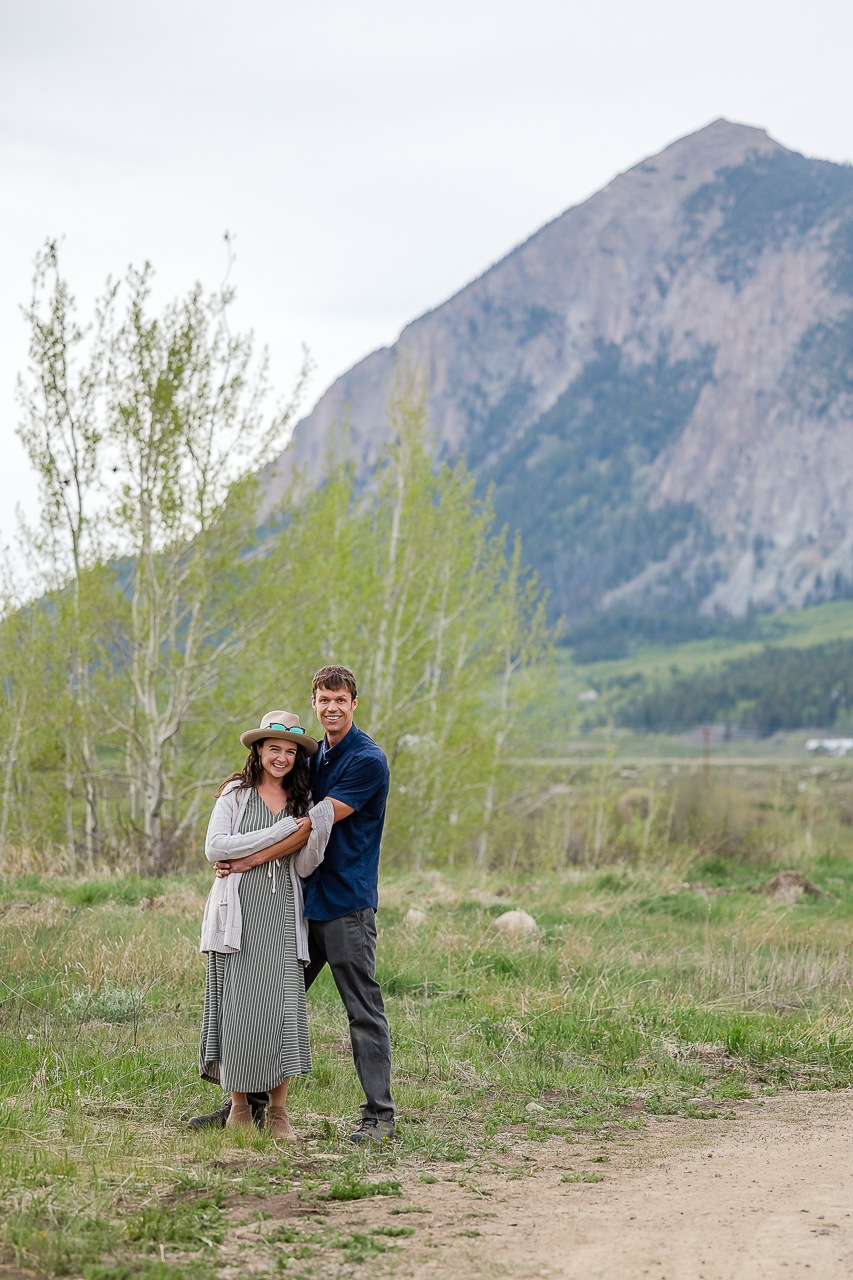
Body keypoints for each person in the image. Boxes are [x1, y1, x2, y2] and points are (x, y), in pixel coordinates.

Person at [189, 666, 394, 1145]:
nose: (332, 708)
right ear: (315, 702)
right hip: (301, 902)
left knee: (361, 1007)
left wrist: (248, 859)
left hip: (344, 903)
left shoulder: (367, 760)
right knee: (266, 1001)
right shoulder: (313, 756)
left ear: (354, 704)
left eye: (340, 700)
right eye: (324, 699)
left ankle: (379, 1117)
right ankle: (246, 1105)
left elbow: (309, 825)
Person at [194, 710, 324, 1141]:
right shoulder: (235, 793)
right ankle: (239, 1108)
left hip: (283, 911)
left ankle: (280, 1112)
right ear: (259, 750)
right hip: (238, 913)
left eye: (290, 751)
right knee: (238, 1007)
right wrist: (281, 834)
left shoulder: (301, 801)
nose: (282, 757)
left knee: (282, 1007)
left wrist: (307, 832)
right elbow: (216, 847)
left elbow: (303, 863)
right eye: (275, 749)